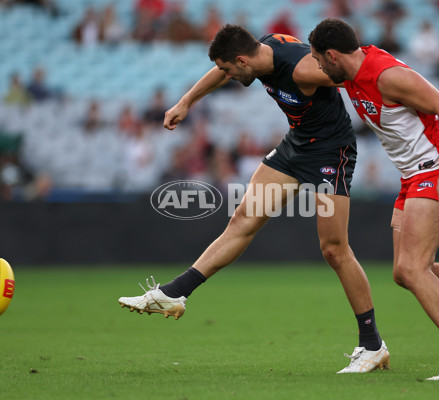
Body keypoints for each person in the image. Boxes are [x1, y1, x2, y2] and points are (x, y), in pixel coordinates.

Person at [119, 24, 390, 374]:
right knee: (242, 221)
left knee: (334, 250)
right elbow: (217, 72)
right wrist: (185, 101)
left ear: (243, 61)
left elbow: (358, 72)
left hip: (330, 153)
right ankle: (174, 293)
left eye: (230, 70)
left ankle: (372, 345)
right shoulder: (259, 52)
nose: (228, 76)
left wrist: (398, 108)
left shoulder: (302, 68)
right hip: (296, 146)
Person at [307, 18, 439, 381]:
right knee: (403, 273)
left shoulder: (386, 76)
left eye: (317, 59)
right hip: (412, 177)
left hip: (435, 170)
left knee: (414, 268)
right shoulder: (347, 74)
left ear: (332, 55)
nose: (315, 66)